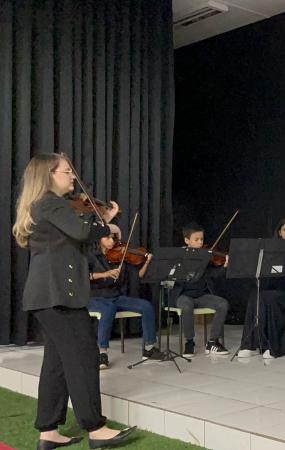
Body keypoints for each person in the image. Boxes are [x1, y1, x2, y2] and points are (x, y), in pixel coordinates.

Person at [13, 153, 136, 449]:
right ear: (49, 175)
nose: (72, 177)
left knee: (56, 364)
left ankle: (49, 432)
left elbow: (74, 235)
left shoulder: (47, 206)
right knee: (83, 358)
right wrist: (104, 222)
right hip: (57, 297)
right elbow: (83, 230)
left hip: (49, 295)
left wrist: (99, 222)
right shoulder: (50, 203)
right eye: (67, 172)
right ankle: (96, 429)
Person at [87, 224, 164, 369]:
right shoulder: (90, 256)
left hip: (116, 296)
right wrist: (105, 274)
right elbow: (83, 276)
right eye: (108, 238)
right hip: (96, 297)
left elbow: (139, 275)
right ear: (99, 239)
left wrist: (147, 261)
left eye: (113, 238)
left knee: (146, 306)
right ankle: (102, 353)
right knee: (108, 309)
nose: (112, 241)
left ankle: (149, 349)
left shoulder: (120, 255)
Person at [238, 217, 285, 359]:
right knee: (255, 294)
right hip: (275, 290)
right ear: (280, 233)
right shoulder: (274, 250)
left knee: (269, 297)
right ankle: (250, 345)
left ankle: (275, 347)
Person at [169, 222, 230, 357]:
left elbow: (214, 274)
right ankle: (189, 342)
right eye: (196, 240)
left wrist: (225, 266)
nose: (200, 242)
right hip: (184, 295)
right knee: (186, 306)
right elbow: (173, 276)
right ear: (187, 240)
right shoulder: (179, 256)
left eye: (201, 239)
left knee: (222, 303)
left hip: (202, 296)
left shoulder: (206, 255)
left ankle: (213, 342)